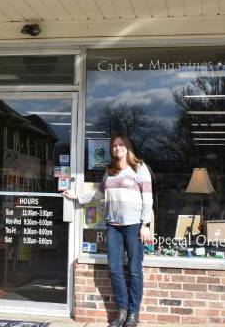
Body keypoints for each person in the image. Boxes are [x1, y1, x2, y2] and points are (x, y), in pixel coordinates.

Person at [62, 133, 153, 327]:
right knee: (114, 269)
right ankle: (121, 312)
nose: (117, 148)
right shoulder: (110, 171)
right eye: (114, 146)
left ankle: (133, 314)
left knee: (135, 270)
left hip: (134, 225)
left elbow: (148, 199)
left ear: (128, 147)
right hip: (113, 226)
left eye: (120, 145)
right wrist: (77, 197)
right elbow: (98, 193)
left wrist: (145, 225)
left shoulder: (140, 168)